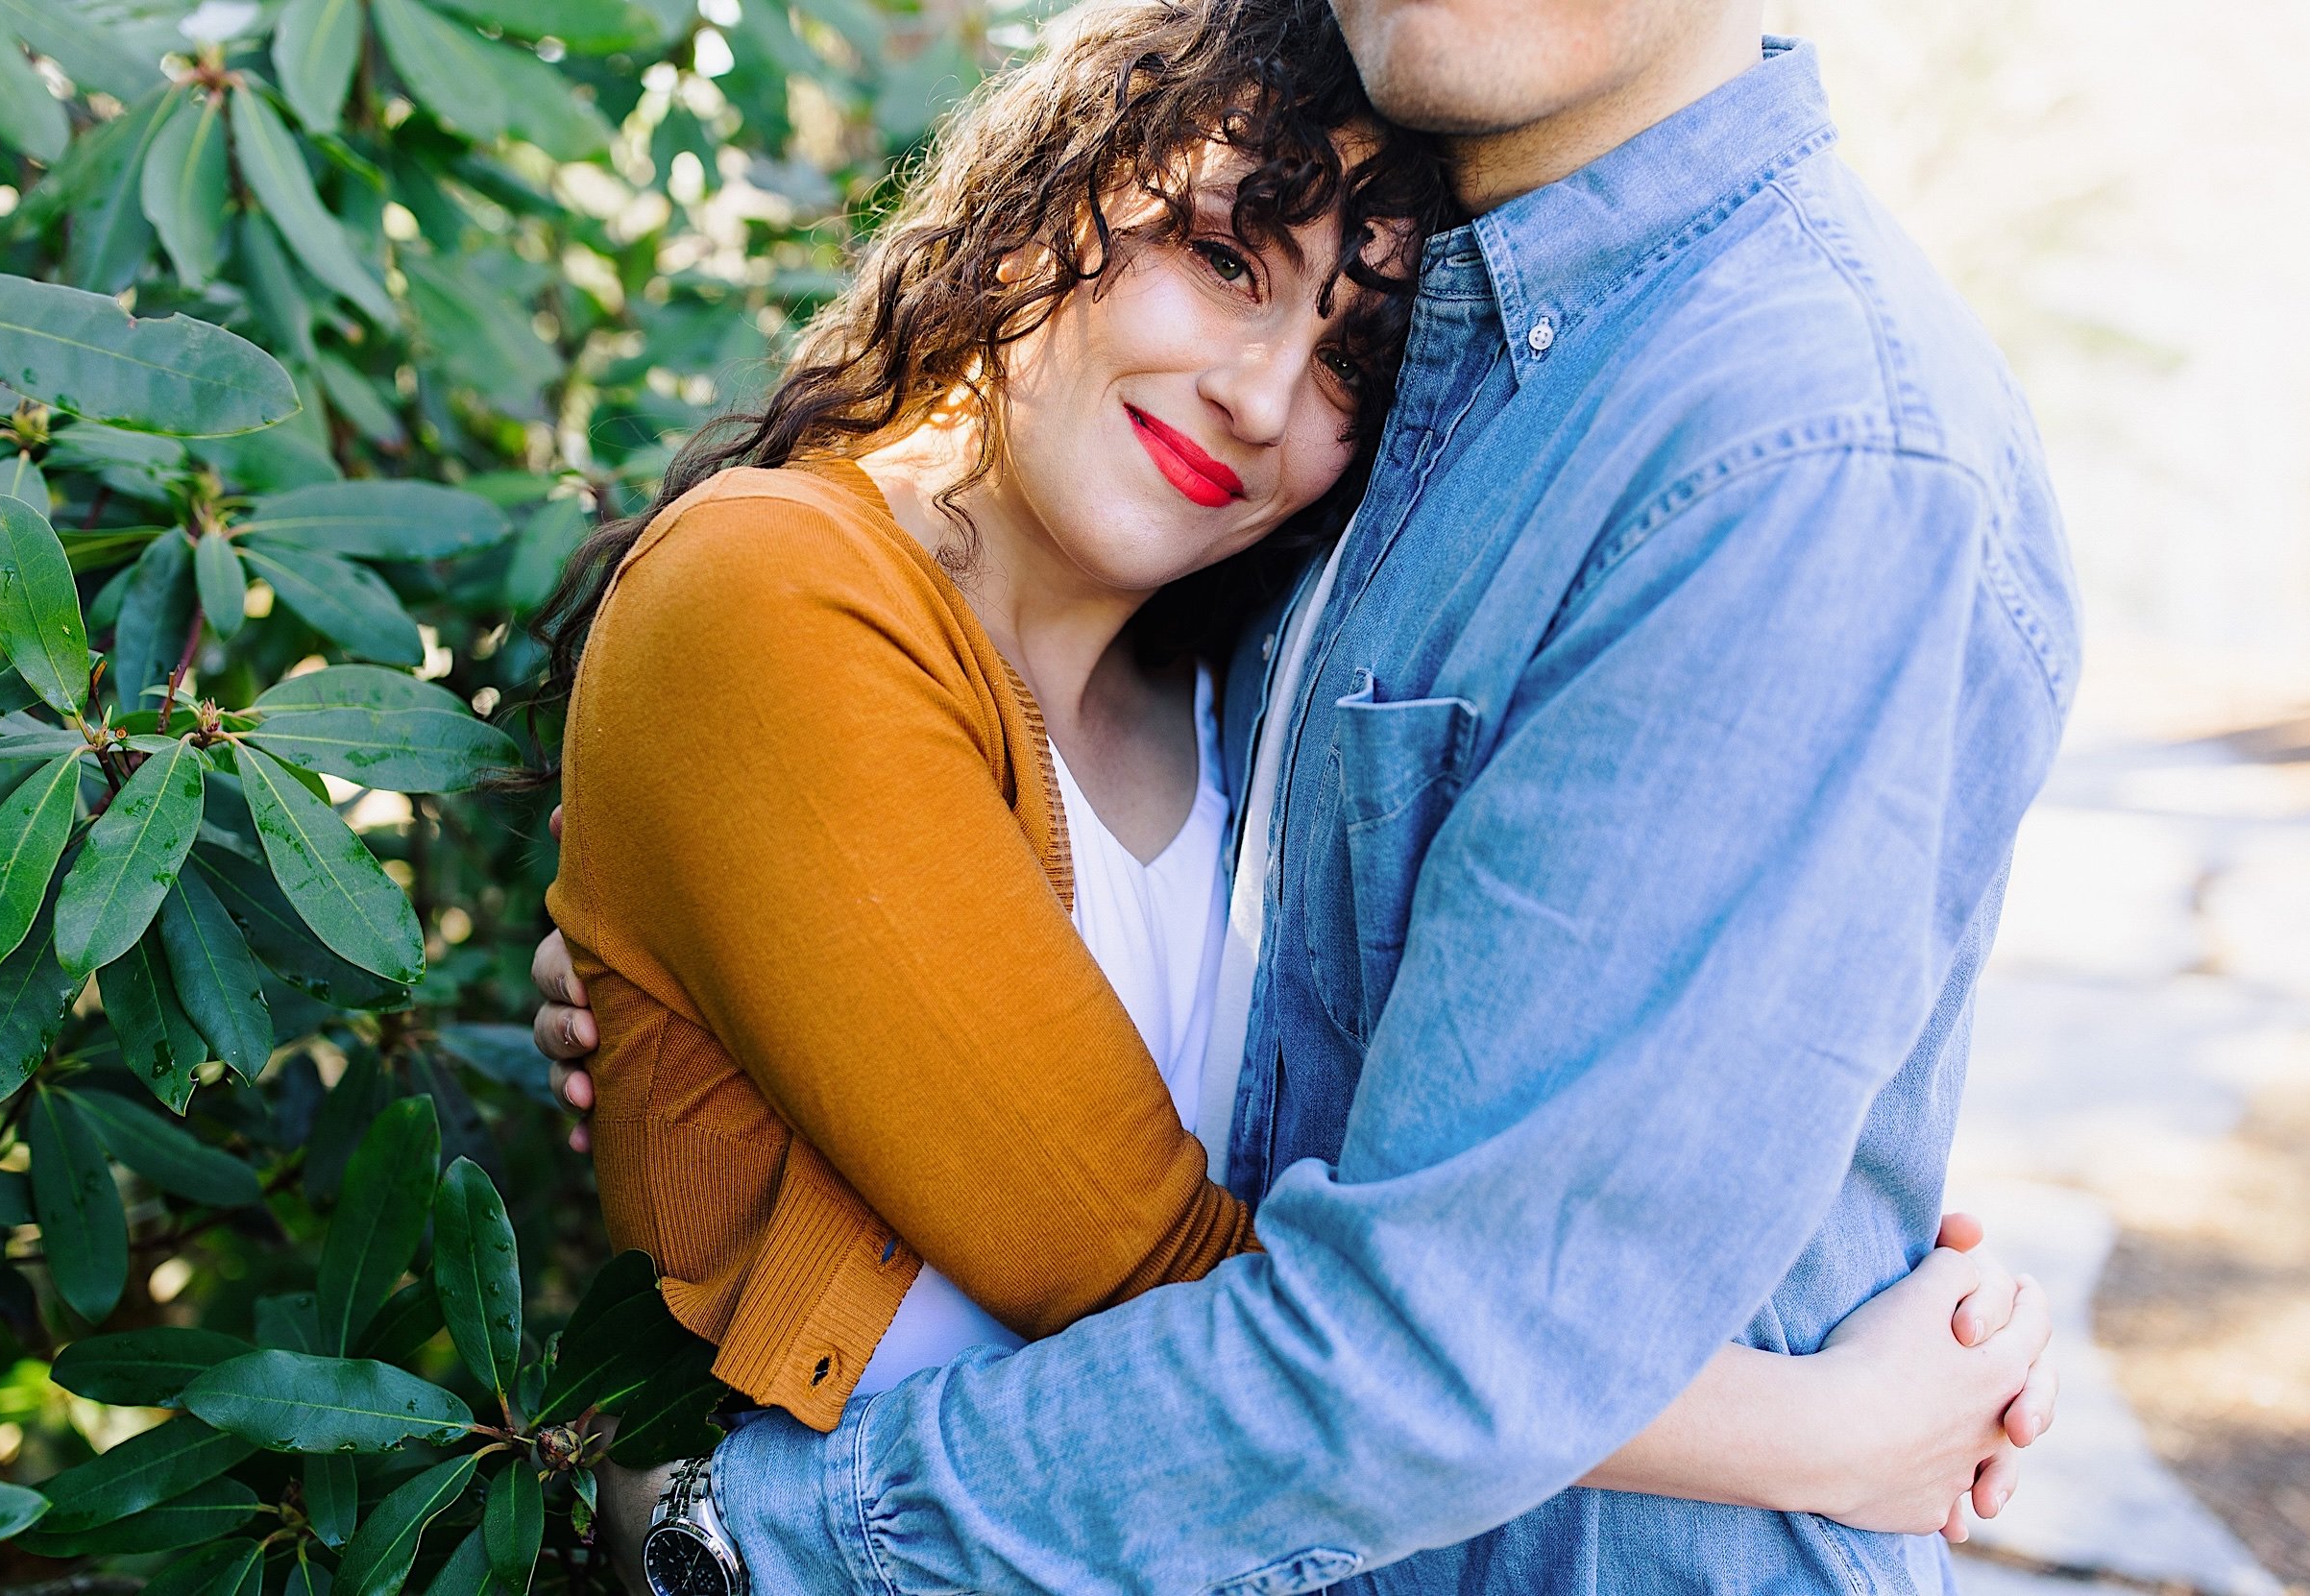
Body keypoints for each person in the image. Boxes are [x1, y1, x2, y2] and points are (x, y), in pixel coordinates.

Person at [532, 0, 2077, 1587]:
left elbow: (1348, 1214)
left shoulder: (1232, 682)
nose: (1263, 398)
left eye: (1352, 354)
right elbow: (1174, 1272)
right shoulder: (786, 588)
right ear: (1039, 200)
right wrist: (1816, 1428)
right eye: (1223, 260)